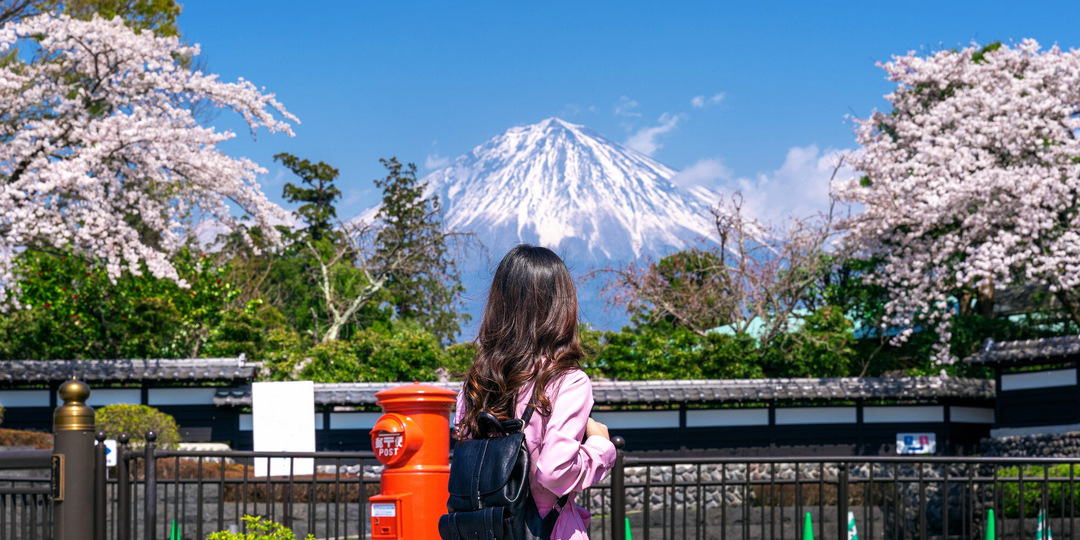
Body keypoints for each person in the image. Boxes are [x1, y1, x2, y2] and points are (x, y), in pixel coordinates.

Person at [455, 244, 616, 539]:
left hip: (484, 530)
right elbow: (553, 471)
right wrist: (600, 449)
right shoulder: (566, 380)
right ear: (561, 306)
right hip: (542, 530)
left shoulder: (475, 384)